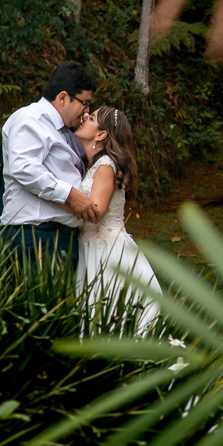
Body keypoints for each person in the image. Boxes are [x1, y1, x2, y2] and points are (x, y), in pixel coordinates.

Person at [0, 61, 99, 268]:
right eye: (84, 103)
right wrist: (70, 195)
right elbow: (24, 167)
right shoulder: (30, 118)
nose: (87, 110)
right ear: (63, 97)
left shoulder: (62, 129)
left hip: (57, 237)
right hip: (36, 236)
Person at [73, 105, 163, 333]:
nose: (85, 117)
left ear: (101, 134)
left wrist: (56, 196)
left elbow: (96, 212)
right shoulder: (94, 164)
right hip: (93, 246)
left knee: (105, 309)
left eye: (91, 117)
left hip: (105, 252)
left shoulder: (104, 166)